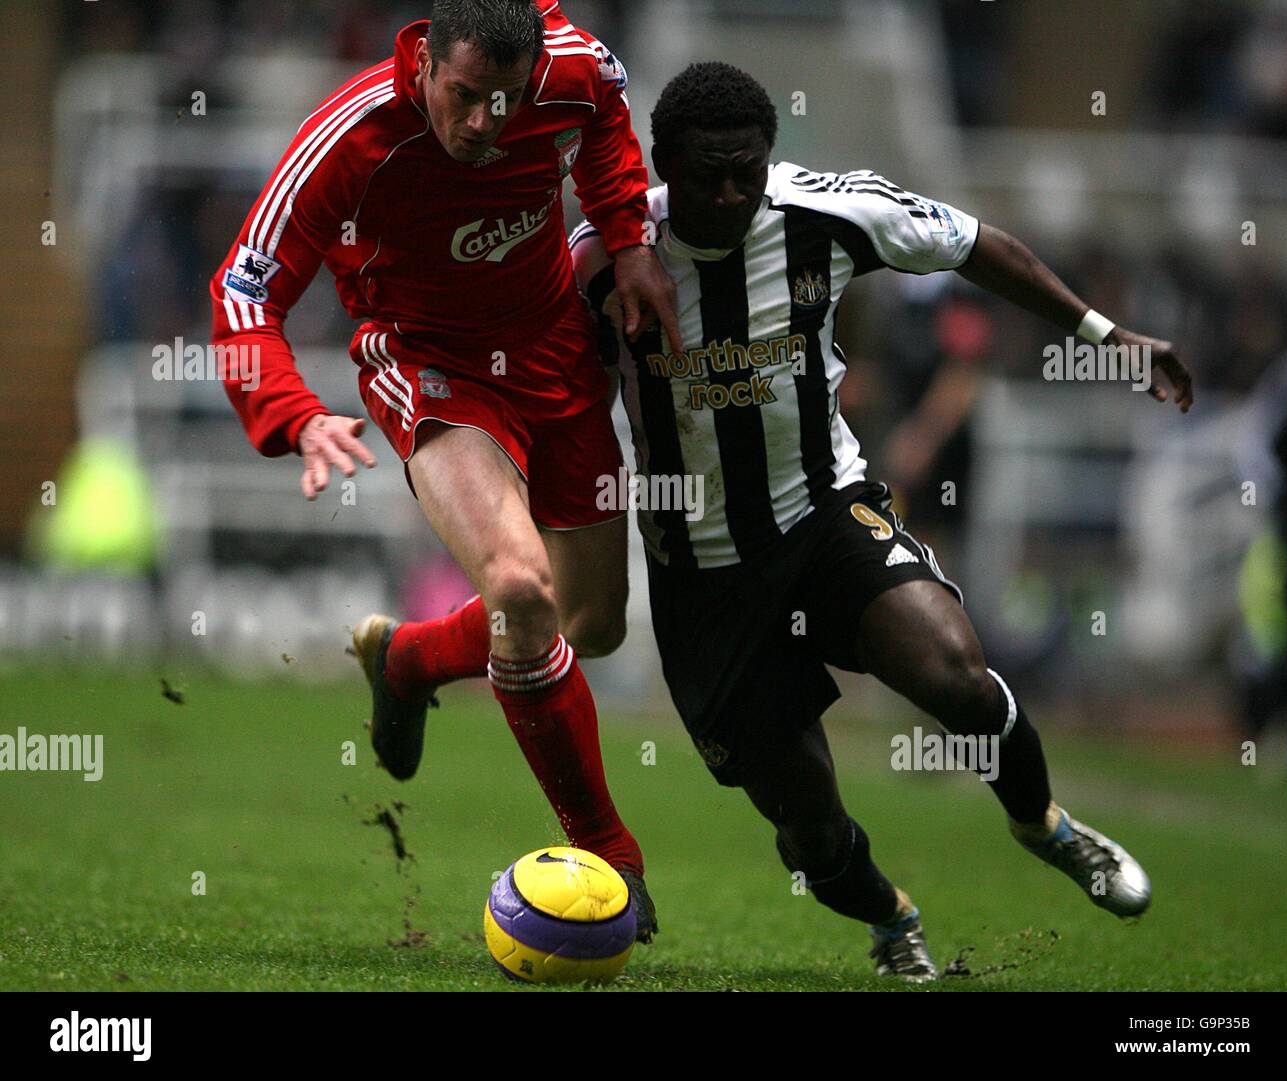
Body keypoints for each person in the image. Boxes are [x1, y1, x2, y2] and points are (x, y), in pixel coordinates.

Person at [571, 61, 1194, 979]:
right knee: (811, 827)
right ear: (662, 162)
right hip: (703, 571)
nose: (734, 193)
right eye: (709, 175)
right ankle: (890, 915)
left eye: (750, 169)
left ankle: (1045, 824)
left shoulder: (826, 214)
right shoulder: (601, 257)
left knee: (959, 676)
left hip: (824, 512)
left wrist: (1105, 333)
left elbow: (977, 243)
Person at [209, 0, 684, 940]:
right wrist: (291, 413)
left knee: (591, 625)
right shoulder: (349, 137)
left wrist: (626, 240)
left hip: (553, 352)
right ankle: (610, 850)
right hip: (432, 365)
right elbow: (243, 285)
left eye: (504, 102)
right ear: (423, 61)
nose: (482, 125)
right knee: (519, 583)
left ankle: (411, 657)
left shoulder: (575, 68)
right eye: (464, 97)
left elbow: (608, 127)